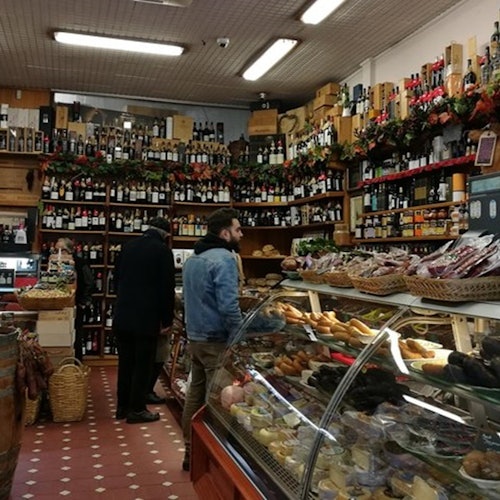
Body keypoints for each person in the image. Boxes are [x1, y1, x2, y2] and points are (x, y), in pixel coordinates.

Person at [181, 208, 243, 471]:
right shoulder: (225, 259)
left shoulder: (193, 259)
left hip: (195, 337)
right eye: (238, 229)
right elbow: (229, 306)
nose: (241, 234)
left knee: (195, 394)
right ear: (225, 233)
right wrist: (239, 335)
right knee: (219, 397)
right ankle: (215, 457)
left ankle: (190, 450)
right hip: (216, 339)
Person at [113, 216, 176, 424]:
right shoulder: (163, 251)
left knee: (125, 363)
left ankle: (122, 407)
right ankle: (137, 409)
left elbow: (116, 279)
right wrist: (166, 320)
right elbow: (166, 289)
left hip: (123, 314)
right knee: (142, 365)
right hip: (146, 318)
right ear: (165, 234)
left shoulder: (128, 247)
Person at [54, 238, 94, 361]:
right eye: (56, 250)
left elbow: (89, 283)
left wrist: (83, 303)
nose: (59, 253)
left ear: (70, 251)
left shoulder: (80, 263)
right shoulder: (54, 263)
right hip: (57, 306)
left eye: (62, 250)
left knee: (76, 336)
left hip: (76, 305)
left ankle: (76, 364)